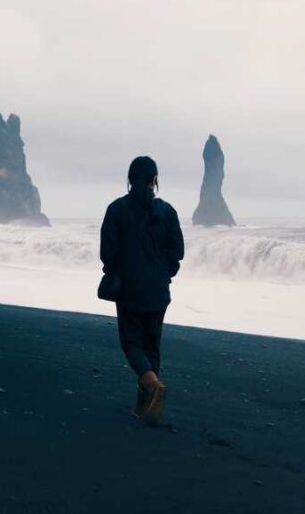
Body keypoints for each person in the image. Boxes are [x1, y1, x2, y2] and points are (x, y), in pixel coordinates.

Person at [100, 156, 184, 425]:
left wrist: (115, 269)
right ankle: (145, 407)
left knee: (131, 343)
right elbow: (178, 252)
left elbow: (107, 253)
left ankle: (151, 385)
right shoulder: (167, 211)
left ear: (129, 178)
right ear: (154, 180)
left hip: (129, 288)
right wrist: (165, 273)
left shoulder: (117, 209)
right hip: (159, 289)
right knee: (152, 346)